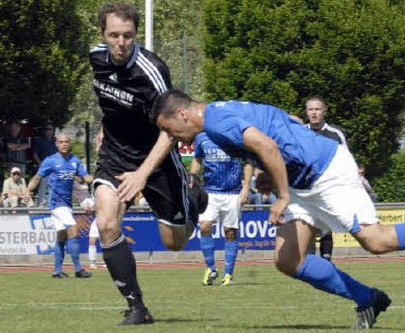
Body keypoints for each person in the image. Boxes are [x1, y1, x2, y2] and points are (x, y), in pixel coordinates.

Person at [152, 89, 405, 329]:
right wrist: (268, 176)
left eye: (171, 130)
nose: (178, 140)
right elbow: (284, 120)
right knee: (288, 260)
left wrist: (282, 193)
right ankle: (368, 299)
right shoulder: (223, 110)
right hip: (302, 180)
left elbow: (269, 145)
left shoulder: (214, 122)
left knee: (376, 241)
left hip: (326, 171)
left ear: (182, 114)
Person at [88, 3, 206, 325]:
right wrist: (105, 129)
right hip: (114, 155)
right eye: (114, 35)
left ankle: (194, 196)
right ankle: (137, 307)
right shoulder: (95, 58)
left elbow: (170, 130)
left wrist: (142, 174)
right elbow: (110, 101)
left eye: (127, 35)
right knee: (106, 222)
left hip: (157, 158)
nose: (121, 42)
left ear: (135, 34)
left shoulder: (151, 71)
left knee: (174, 242)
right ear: (103, 35)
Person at [27, 133, 94, 279]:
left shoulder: (75, 161)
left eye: (66, 141)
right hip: (56, 203)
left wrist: (100, 178)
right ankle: (78, 269)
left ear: (69, 144)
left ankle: (57, 271)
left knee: (62, 236)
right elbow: (37, 177)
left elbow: (86, 177)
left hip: (67, 203)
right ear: (56, 144)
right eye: (61, 142)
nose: (64, 144)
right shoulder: (50, 161)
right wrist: (28, 191)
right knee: (74, 230)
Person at [189, 132, 252, 286]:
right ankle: (211, 268)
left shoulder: (236, 136)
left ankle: (228, 274)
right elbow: (197, 160)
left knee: (230, 232)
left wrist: (246, 188)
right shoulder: (202, 137)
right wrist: (191, 178)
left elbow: (249, 162)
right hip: (209, 191)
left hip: (233, 192)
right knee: (204, 226)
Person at [304, 96, 350, 262]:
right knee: (307, 226)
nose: (314, 112)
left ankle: (326, 263)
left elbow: (346, 161)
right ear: (306, 112)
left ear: (324, 111)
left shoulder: (335, 135)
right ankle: (309, 264)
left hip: (328, 189)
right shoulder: (300, 132)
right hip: (306, 190)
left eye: (317, 109)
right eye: (311, 109)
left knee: (325, 227)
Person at [32, 124, 57, 206]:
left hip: (55, 164)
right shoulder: (40, 140)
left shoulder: (55, 140)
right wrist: (40, 163)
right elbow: (35, 154)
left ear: (53, 131)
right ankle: (41, 201)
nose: (48, 131)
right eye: (47, 129)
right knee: (43, 183)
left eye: (50, 129)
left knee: (54, 183)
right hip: (44, 164)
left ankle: (53, 201)